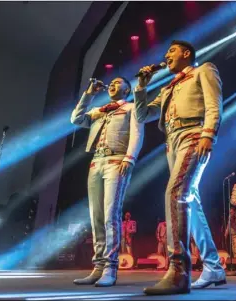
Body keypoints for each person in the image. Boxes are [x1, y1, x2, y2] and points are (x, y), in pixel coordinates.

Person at [134, 40, 225, 295]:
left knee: (175, 194)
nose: (166, 55)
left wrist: (209, 133)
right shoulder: (168, 88)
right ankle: (214, 267)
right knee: (190, 202)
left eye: (171, 51)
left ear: (186, 53)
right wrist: (141, 87)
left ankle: (178, 271)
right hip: (172, 141)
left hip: (194, 133)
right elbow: (143, 116)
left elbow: (214, 103)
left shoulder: (203, 70)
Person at [71, 77, 144, 287]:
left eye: (118, 82)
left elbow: (137, 133)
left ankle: (110, 268)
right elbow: (76, 119)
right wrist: (89, 94)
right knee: (96, 216)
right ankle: (98, 266)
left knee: (111, 215)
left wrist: (130, 158)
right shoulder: (99, 110)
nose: (112, 84)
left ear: (127, 89)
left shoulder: (131, 107)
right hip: (96, 162)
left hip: (116, 160)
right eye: (111, 82)